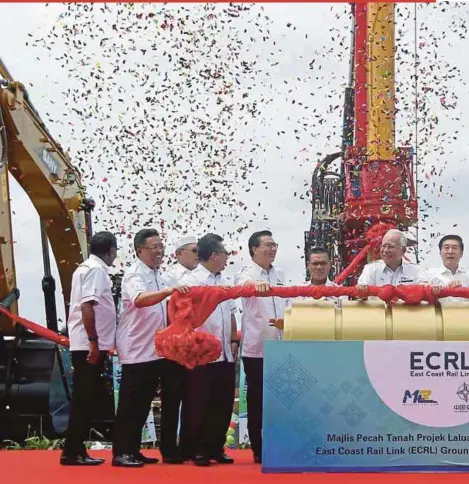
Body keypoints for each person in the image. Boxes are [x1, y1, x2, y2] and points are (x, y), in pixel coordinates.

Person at [112, 229, 189, 468]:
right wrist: (167, 292)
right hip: (138, 348)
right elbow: (139, 299)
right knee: (132, 403)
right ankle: (122, 452)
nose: (159, 251)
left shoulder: (163, 275)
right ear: (139, 251)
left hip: (163, 350)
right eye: (153, 247)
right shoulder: (134, 274)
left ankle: (165, 450)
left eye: (161, 246)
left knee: (160, 400)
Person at [179, 233, 238, 467]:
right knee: (199, 402)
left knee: (223, 402)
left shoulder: (226, 281)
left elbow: (232, 313)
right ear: (214, 255)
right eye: (225, 254)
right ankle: (199, 449)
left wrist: (234, 341)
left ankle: (216, 447)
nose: (227, 258)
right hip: (201, 353)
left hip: (225, 351)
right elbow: (183, 317)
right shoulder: (191, 281)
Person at [60, 231, 118, 466]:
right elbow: (87, 306)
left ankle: (75, 449)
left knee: (86, 397)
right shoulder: (95, 270)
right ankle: (73, 451)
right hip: (89, 344)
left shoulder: (85, 267)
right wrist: (93, 342)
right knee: (84, 398)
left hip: (87, 343)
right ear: (111, 250)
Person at [234, 230, 288, 464]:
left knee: (280, 400)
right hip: (257, 347)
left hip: (281, 344)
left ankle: (280, 444)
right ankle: (258, 447)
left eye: (274, 244)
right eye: (267, 245)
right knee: (257, 400)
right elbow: (244, 284)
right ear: (254, 249)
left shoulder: (280, 273)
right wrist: (256, 284)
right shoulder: (247, 272)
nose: (273, 249)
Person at [357, 229, 427, 286]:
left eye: (391, 246)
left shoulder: (416, 270)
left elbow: (424, 288)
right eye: (383, 246)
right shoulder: (371, 269)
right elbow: (362, 292)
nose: (386, 250)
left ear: (403, 250)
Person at [427, 235, 469, 301]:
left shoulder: (467, 274)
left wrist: (462, 291)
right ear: (440, 252)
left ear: (461, 253)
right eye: (446, 248)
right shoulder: (429, 275)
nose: (450, 252)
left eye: (454, 248)